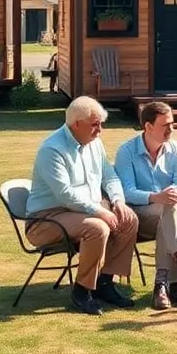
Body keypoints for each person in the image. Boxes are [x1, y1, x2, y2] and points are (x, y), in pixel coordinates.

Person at [25, 96, 138, 316]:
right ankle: (82, 291)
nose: (100, 130)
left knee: (128, 219)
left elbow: (109, 176)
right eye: (95, 124)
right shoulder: (52, 149)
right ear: (77, 124)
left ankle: (105, 283)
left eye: (101, 124)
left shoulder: (94, 143)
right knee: (97, 227)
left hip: (83, 210)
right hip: (47, 219)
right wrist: (100, 211)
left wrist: (117, 201)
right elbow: (66, 195)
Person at [114, 101, 177, 310]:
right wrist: (155, 196)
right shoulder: (126, 151)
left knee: (172, 208)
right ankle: (175, 280)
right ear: (148, 127)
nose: (171, 129)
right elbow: (127, 191)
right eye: (165, 125)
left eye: (172, 124)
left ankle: (161, 285)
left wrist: (174, 194)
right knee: (171, 210)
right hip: (138, 214)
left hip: (167, 215)